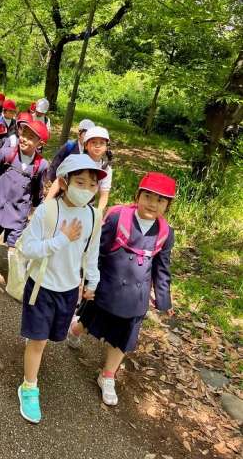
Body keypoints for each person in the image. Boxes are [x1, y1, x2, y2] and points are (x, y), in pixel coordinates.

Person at [67, 172, 176, 407]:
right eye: (148, 196)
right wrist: (89, 281)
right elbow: (97, 250)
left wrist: (163, 299)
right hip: (107, 285)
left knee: (124, 336)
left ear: (167, 205)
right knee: (90, 317)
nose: (152, 204)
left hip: (136, 297)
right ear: (138, 196)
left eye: (160, 200)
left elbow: (162, 268)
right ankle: (75, 330)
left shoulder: (165, 234)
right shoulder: (118, 218)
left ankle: (107, 375)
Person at [16, 154, 106, 424]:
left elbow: (91, 252)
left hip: (68, 290)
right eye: (80, 182)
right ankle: (29, 387)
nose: (87, 189)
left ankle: (35, 344)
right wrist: (61, 240)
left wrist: (92, 281)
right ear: (64, 182)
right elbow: (28, 247)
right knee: (38, 341)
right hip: (41, 287)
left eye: (92, 185)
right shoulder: (48, 211)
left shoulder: (93, 215)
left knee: (51, 337)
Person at [0, 120, 50, 271]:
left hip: (19, 209)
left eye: (31, 137)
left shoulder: (41, 165)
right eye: (24, 134)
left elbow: (38, 187)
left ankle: (14, 271)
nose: (24, 139)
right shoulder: (7, 153)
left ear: (40, 143)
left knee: (15, 240)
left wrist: (37, 203)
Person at [47, 119, 95, 184]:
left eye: (90, 137)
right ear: (79, 134)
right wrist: (50, 180)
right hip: (62, 182)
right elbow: (56, 163)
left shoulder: (91, 152)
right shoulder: (70, 146)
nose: (87, 139)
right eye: (86, 135)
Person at [82, 126, 113, 212]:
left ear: (106, 147)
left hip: (87, 205)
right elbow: (59, 181)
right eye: (93, 142)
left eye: (102, 143)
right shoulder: (77, 160)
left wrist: (98, 212)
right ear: (86, 145)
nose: (97, 145)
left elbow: (104, 194)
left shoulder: (106, 169)